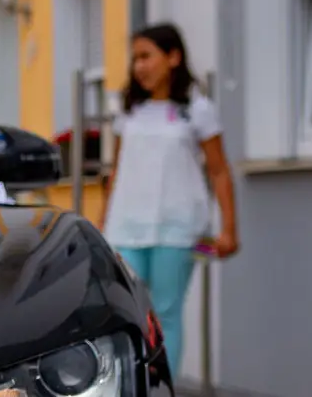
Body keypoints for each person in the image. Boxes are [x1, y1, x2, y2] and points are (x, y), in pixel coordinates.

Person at [101, 23, 238, 374]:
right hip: (126, 227)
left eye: (147, 56)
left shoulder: (197, 109)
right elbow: (116, 170)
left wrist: (229, 229)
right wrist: (103, 224)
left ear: (173, 57)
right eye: (135, 59)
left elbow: (220, 171)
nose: (140, 66)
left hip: (177, 228)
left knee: (166, 312)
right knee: (125, 310)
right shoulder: (128, 110)